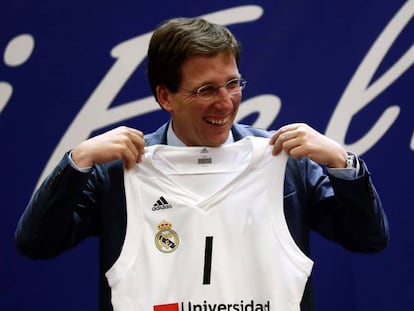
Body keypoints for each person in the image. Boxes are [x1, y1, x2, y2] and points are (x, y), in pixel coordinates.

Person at [15, 17, 389, 311]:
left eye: (233, 84)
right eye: (206, 90)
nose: (225, 103)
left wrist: (343, 164)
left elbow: (368, 239)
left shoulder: (284, 164)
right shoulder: (120, 169)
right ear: (165, 96)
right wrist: (76, 162)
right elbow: (36, 243)